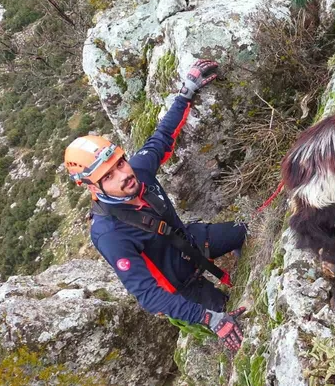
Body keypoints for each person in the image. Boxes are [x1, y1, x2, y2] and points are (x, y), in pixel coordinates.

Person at [64, 59, 246, 353]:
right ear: (91, 187)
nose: (123, 175)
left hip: (189, 244)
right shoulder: (109, 234)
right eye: (108, 176)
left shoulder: (138, 172)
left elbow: (162, 137)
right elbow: (149, 295)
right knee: (234, 320)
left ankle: (240, 262)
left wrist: (186, 92)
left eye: (120, 163)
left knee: (245, 231)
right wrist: (209, 318)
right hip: (179, 289)